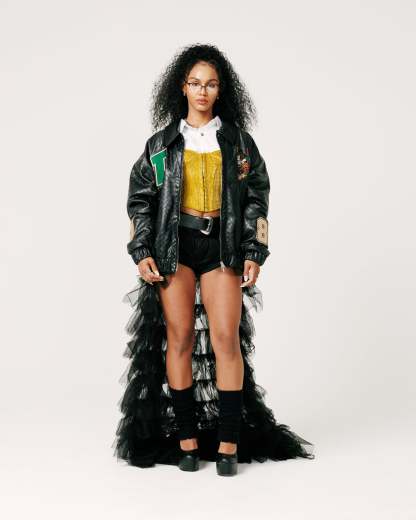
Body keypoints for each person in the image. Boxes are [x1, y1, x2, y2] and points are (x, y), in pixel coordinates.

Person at [113, 43, 314, 476]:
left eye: (210, 84)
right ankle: (187, 441)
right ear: (182, 88)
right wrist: (141, 250)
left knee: (225, 338)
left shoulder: (238, 143)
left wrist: (254, 250)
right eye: (195, 83)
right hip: (175, 247)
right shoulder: (162, 145)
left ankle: (227, 443)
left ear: (221, 90)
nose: (202, 91)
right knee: (180, 338)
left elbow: (257, 196)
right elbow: (141, 200)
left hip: (222, 247)